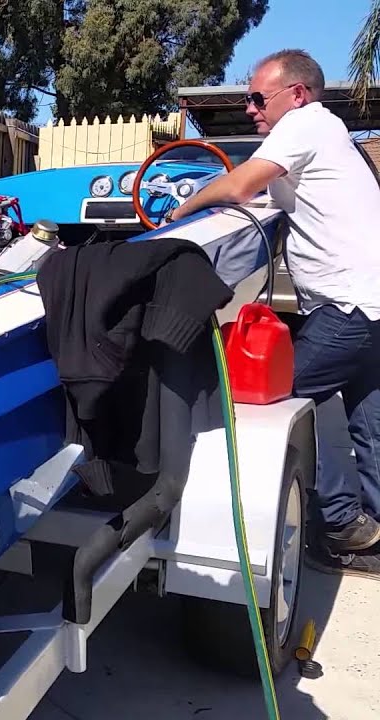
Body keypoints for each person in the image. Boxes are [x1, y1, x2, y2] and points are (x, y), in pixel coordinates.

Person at [168, 49, 380, 577]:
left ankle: (340, 523)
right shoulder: (330, 137)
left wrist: (184, 207)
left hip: (347, 307)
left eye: (259, 98)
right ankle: (370, 538)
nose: (250, 108)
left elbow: (241, 184)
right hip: (370, 307)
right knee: (369, 424)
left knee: (273, 401)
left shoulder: (305, 125)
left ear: (298, 94)